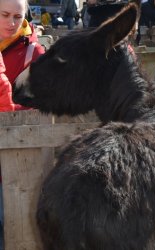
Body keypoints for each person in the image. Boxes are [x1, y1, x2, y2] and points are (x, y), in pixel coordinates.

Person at [0, 0, 45, 248]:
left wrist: (8, 109)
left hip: (17, 159)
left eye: (18, 16)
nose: (12, 23)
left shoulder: (34, 54)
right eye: (5, 15)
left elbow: (43, 108)